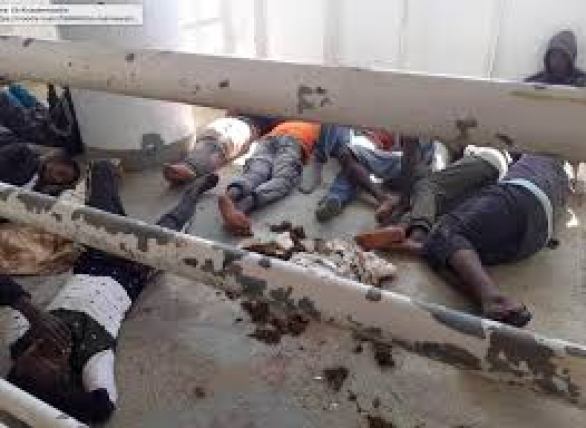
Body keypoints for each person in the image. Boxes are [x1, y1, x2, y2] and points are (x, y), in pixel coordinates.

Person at [2, 161, 219, 423]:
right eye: (48, 353)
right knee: (172, 226)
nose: (41, 342)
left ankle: (110, 184)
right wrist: (63, 396)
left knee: (102, 176)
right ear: (65, 372)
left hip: (96, 256)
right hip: (133, 271)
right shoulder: (94, 359)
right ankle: (194, 192)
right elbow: (102, 407)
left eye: (32, 349)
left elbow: (10, 300)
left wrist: (32, 315)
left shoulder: (21, 335)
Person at [358, 154, 568, 328]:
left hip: (521, 195)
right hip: (533, 241)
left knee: (446, 231)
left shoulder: (536, 153)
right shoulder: (563, 178)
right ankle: (488, 302)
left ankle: (492, 297)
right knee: (450, 254)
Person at [356, 145, 510, 248]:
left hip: (487, 158)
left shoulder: (479, 142)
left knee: (426, 185)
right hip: (495, 175)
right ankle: (400, 229)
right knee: (432, 203)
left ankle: (418, 235)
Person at [299, 124, 437, 223]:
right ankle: (334, 196)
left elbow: (414, 156)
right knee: (347, 153)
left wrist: (404, 202)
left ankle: (340, 196)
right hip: (363, 147)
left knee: (352, 156)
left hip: (398, 160)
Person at [219, 121, 321, 236]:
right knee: (283, 179)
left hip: (269, 138)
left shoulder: (291, 119)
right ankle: (243, 206)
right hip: (295, 140)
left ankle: (230, 195)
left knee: (257, 173)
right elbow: (327, 150)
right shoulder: (325, 123)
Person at [163, 114, 280, 185]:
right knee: (213, 138)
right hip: (237, 122)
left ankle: (190, 168)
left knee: (221, 141)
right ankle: (188, 168)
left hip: (250, 127)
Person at [0, 143, 80, 196]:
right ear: (55, 161)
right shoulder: (21, 153)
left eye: (63, 182)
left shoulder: (41, 193)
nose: (58, 180)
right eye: (61, 173)